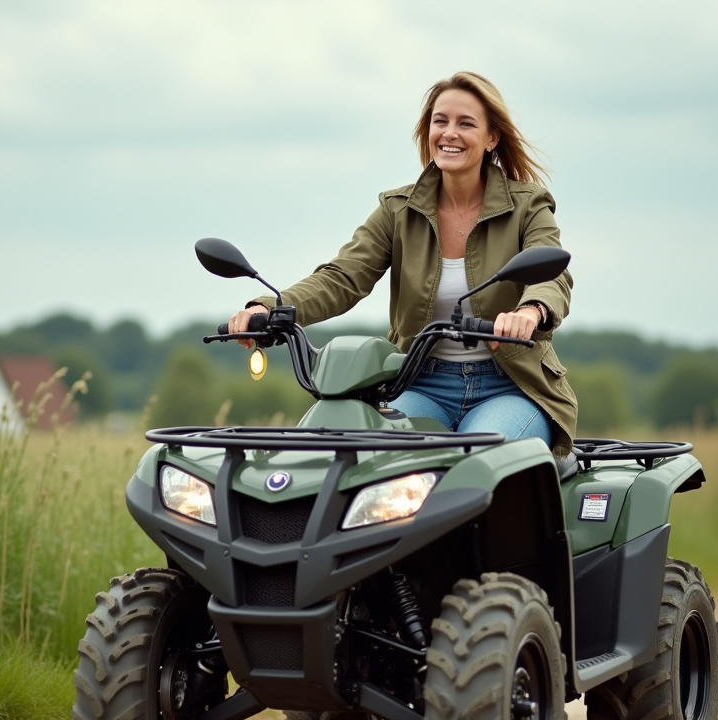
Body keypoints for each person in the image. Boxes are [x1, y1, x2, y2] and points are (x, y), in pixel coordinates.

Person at [229, 71, 577, 455]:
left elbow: (552, 273)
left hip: (509, 385)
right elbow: (343, 276)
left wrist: (531, 310)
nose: (449, 133)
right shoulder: (398, 209)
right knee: (364, 454)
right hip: (419, 381)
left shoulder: (528, 205)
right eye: (440, 121)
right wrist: (270, 307)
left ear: (492, 137)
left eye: (466, 123)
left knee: (480, 459)